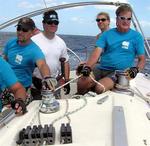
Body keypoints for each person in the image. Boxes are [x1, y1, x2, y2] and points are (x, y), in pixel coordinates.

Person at [76, 4, 145, 95]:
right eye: (122, 18)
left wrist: (136, 70)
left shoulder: (137, 37)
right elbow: (96, 53)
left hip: (117, 73)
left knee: (100, 88)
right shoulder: (106, 35)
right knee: (82, 81)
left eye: (128, 19)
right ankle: (78, 97)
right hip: (101, 68)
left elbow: (142, 59)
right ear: (117, 19)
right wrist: (88, 67)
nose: (126, 21)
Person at [3, 17, 56, 93]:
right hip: (4, 85)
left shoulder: (34, 50)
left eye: (25, 30)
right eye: (19, 28)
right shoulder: (10, 43)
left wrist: (47, 77)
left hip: (21, 89)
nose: (20, 32)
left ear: (32, 32)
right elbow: (4, 61)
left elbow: (42, 65)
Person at [31, 9, 70, 97]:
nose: (53, 24)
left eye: (55, 22)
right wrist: (32, 80)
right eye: (50, 22)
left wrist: (67, 81)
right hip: (36, 85)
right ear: (43, 23)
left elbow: (66, 62)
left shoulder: (61, 42)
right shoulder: (33, 41)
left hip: (54, 84)